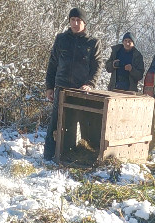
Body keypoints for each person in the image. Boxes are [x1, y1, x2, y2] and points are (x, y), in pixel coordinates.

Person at [44, 7, 103, 161]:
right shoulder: (61, 39)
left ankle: (85, 156)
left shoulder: (93, 43)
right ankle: (50, 156)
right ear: (69, 21)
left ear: (84, 23)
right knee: (57, 123)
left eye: (78, 20)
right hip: (61, 88)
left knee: (84, 123)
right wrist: (49, 87)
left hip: (81, 90)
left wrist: (90, 83)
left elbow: (97, 66)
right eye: (72, 20)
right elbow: (52, 64)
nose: (75, 23)